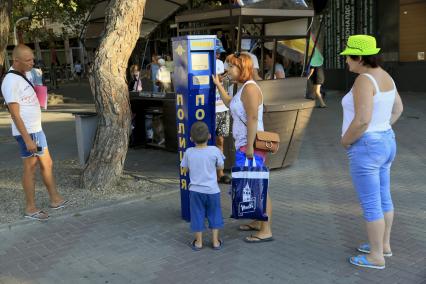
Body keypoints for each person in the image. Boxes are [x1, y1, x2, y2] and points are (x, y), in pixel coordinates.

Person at [340, 35, 403, 269]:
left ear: (359, 57)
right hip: (386, 141)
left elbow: (362, 121)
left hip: (367, 145)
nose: (346, 60)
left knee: (371, 203)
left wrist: (345, 141)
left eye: (348, 56)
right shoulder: (385, 76)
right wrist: (382, 129)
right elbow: (398, 108)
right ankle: (383, 246)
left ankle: (375, 256)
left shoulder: (364, 81)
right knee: (383, 196)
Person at [1, 45, 67, 221]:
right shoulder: (10, 81)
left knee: (47, 163)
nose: (32, 63)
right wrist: (27, 139)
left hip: (36, 129)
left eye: (32, 59)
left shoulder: (26, 74)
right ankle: (30, 208)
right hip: (28, 133)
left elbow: (35, 87)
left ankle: (55, 199)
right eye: (28, 60)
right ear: (16, 61)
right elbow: (14, 114)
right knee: (30, 169)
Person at [212, 52, 273, 243]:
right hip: (244, 143)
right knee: (253, 184)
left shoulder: (251, 89)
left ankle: (266, 229)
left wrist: (250, 148)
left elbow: (253, 118)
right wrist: (219, 85)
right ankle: (257, 221)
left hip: (251, 145)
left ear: (243, 68)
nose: (228, 69)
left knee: (260, 186)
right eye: (228, 65)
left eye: (231, 66)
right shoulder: (243, 88)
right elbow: (230, 104)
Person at [180, 121, 225, 250]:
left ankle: (198, 242)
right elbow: (221, 166)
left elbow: (185, 169)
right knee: (215, 213)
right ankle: (215, 242)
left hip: (195, 191)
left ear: (191, 138)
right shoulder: (214, 150)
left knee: (197, 214)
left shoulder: (189, 152)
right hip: (212, 190)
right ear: (210, 136)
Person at [215, 40, 231, 184]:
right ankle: (213, 173)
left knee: (220, 140)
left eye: (220, 51)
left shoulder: (221, 63)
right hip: (212, 108)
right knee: (209, 141)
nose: (219, 54)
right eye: (216, 51)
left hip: (222, 107)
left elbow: (223, 79)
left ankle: (220, 173)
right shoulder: (209, 64)